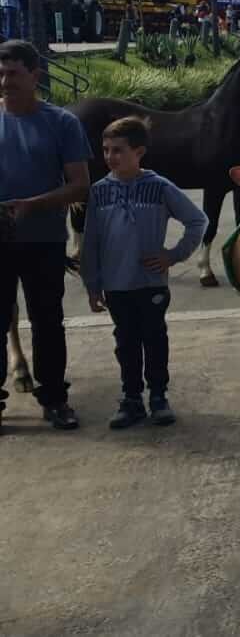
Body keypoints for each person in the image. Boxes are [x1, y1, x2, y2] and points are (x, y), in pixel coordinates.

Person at [80, 117, 208, 429]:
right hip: (116, 286)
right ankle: (131, 398)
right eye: (106, 150)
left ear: (139, 152)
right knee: (125, 342)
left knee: (154, 338)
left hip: (150, 284)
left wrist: (172, 256)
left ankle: (158, 397)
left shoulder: (159, 187)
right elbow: (91, 241)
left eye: (118, 150)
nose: (110, 157)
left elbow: (197, 221)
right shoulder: (99, 192)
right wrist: (93, 285)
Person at [0, 40, 91, 431]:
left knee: (47, 321)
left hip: (44, 239)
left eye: (14, 73)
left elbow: (80, 185)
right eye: (0, 74)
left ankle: (54, 398)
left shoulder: (62, 123)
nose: (5, 82)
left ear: (35, 75)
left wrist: (32, 205)